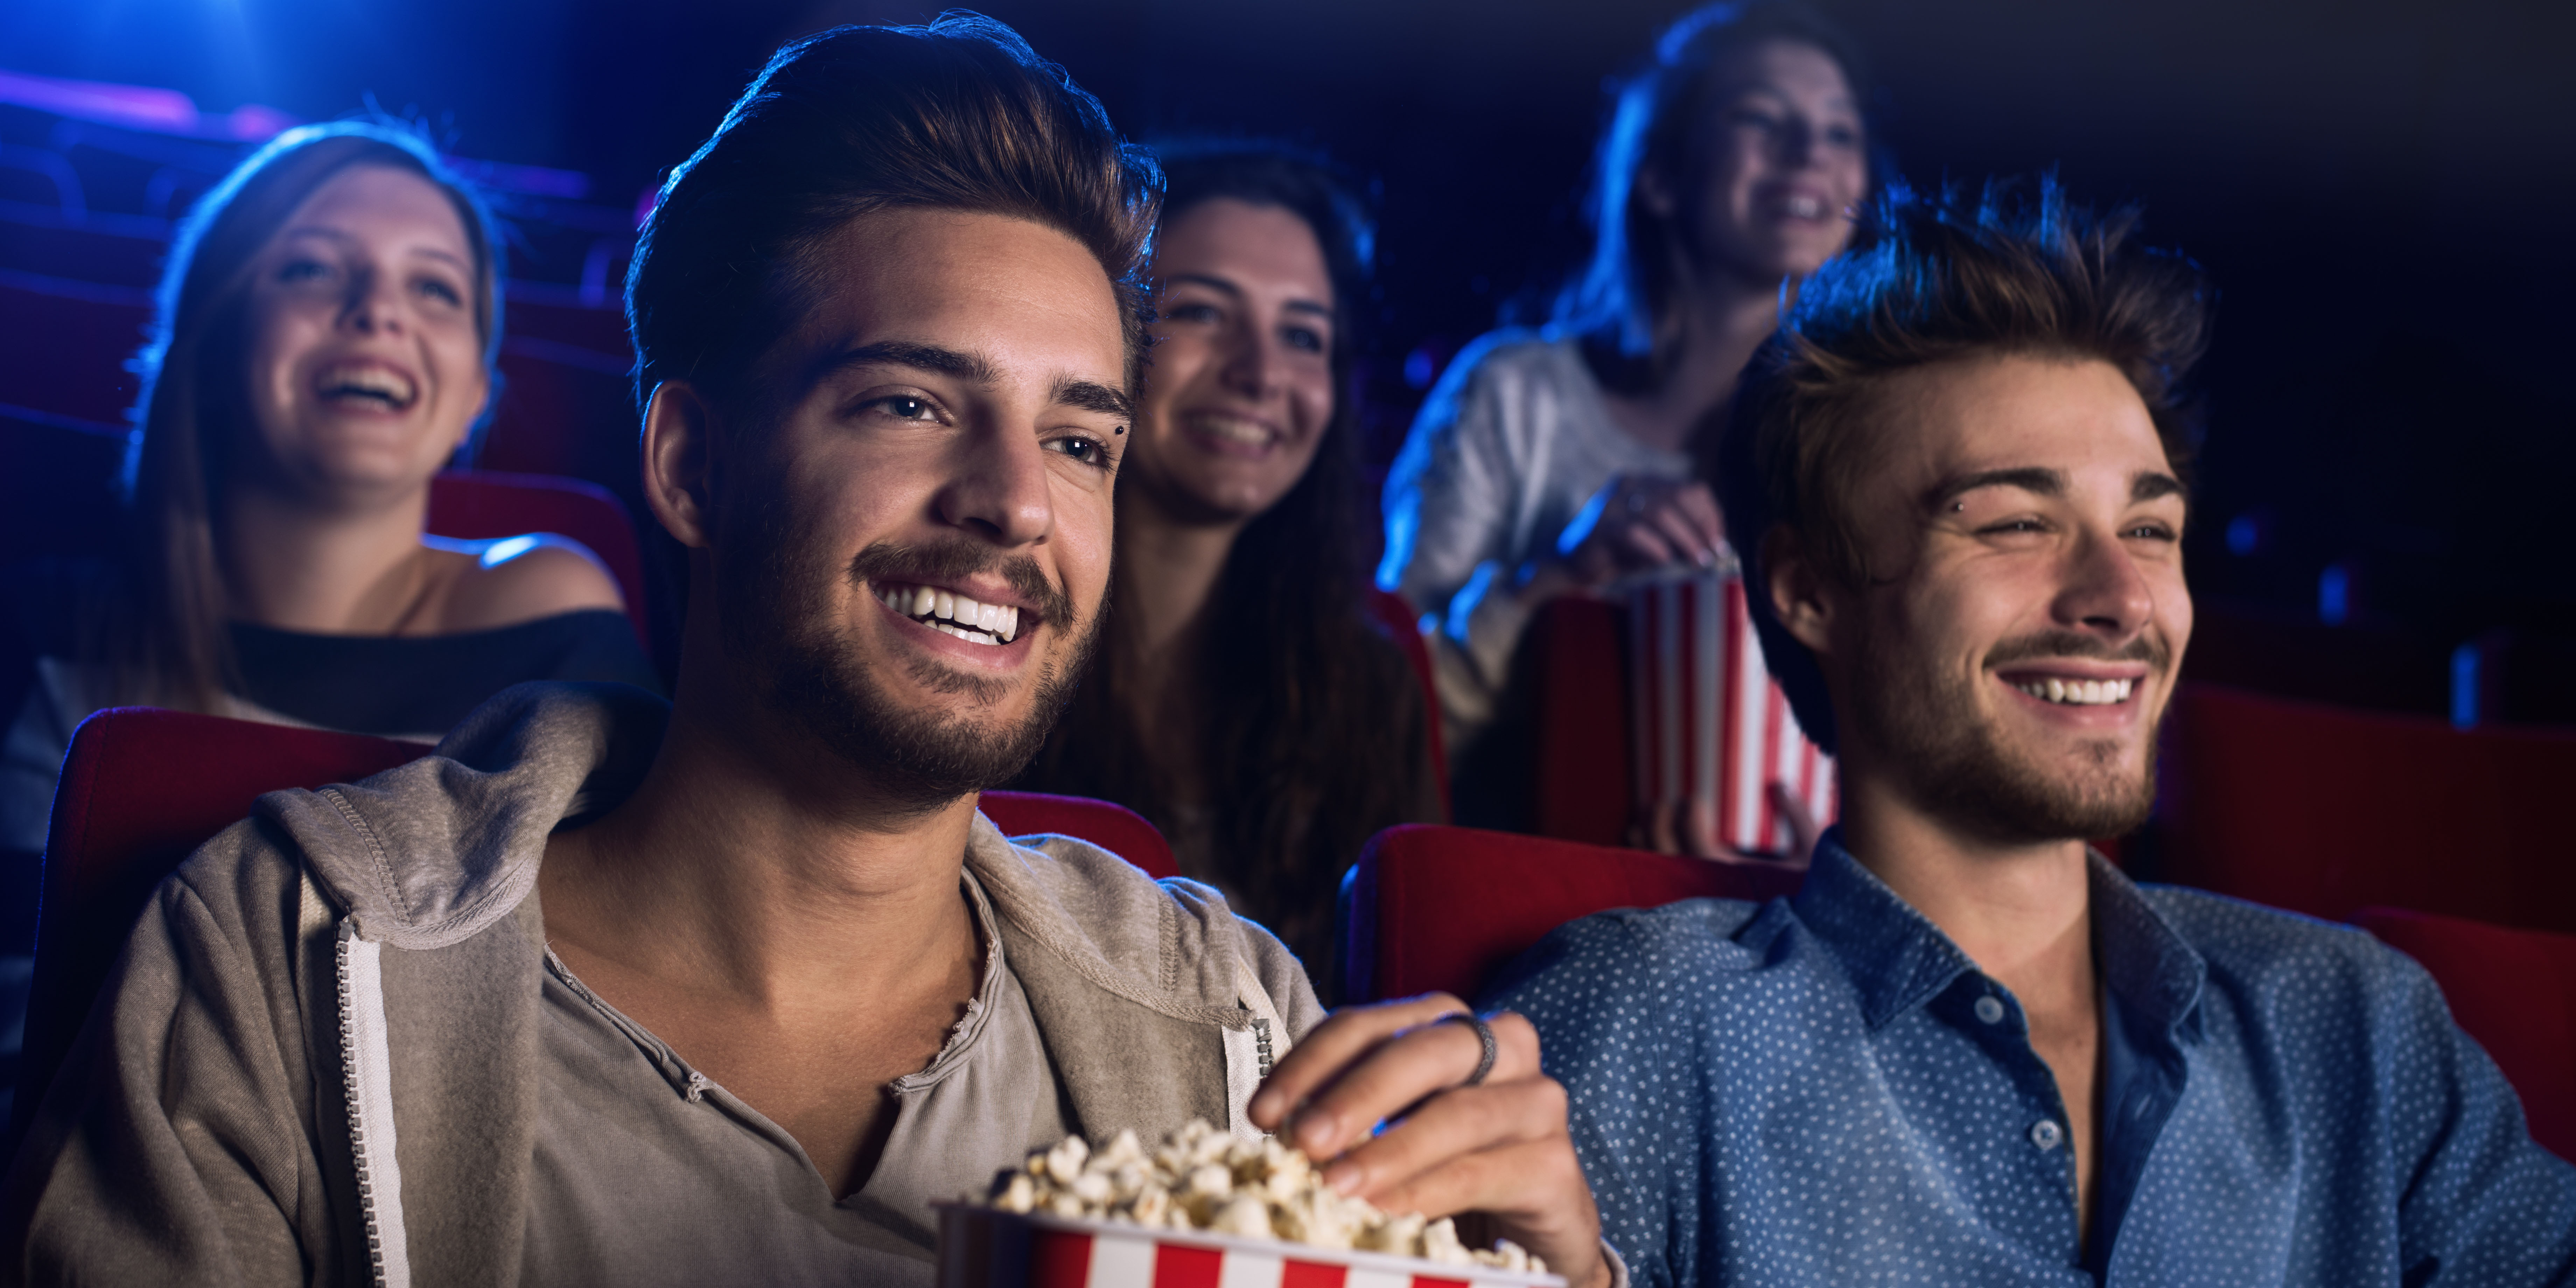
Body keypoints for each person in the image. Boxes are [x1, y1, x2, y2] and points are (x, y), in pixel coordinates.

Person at [2, 19, 1616, 1288]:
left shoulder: (1228, 1019)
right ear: (692, 463)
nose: (1010, 506)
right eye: (911, 402)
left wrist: (1561, 1270)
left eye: (1078, 440)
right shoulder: (285, 955)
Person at [1485, 180, 2576, 1284]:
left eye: (2150, 530)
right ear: (1809, 589)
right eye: (2016, 523)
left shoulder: (2364, 1030)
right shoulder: (1640, 1021)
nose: (2124, 599)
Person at [0, 121, 654, 1126]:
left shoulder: (552, 616)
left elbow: (610, 1016)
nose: (377, 312)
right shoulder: (40, 616)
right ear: (211, 341)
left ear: (475, 388)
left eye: (434, 287)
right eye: (310, 268)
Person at [1379, 0, 1871, 805]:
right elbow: (1382, 711)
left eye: (1839, 132)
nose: (1808, 151)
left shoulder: (1879, 432)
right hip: (1523, 877)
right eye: (1758, 117)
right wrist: (1565, 573)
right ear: (1660, 175)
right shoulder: (1514, 392)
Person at [1014, 143, 1441, 992]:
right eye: (1204, 314)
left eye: (1301, 336)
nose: (1258, 375)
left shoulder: (1370, 676)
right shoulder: (990, 616)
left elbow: (1401, 986)